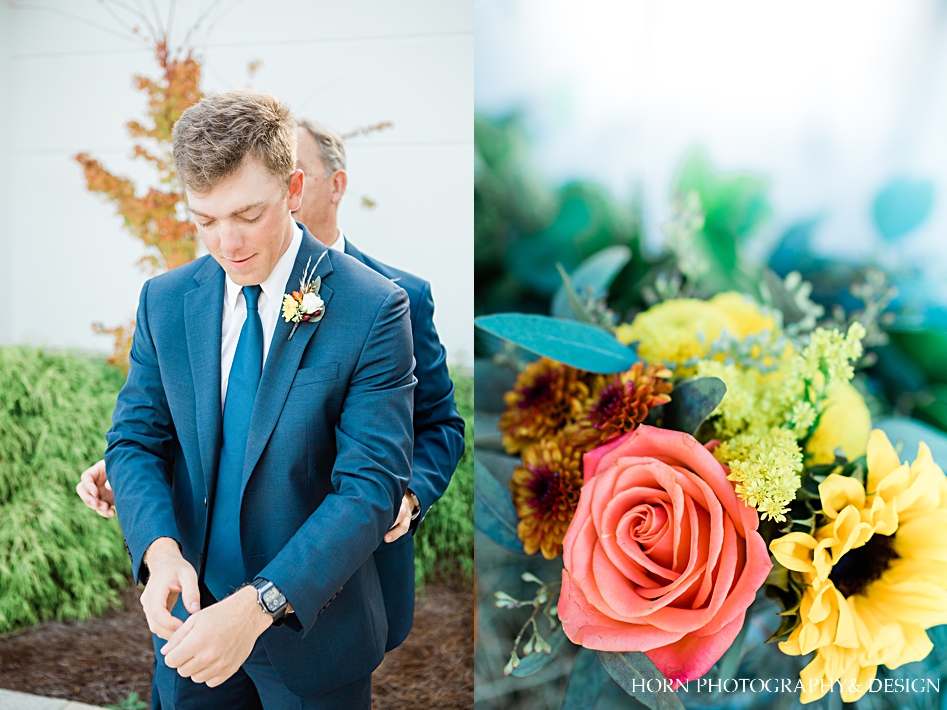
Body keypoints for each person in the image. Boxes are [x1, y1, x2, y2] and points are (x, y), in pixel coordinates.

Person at [78, 118, 465, 655]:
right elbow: (147, 436)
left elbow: (418, 439)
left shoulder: (383, 301)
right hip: (191, 626)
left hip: (316, 619)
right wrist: (159, 545)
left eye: (248, 214)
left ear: (298, 191)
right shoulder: (166, 300)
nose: (226, 242)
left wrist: (407, 492)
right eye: (205, 220)